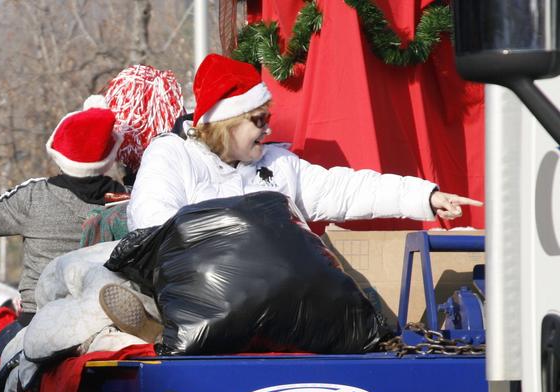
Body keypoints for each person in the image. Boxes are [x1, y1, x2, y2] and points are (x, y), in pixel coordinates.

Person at [109, 54, 482, 336]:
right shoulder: (172, 155)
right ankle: (161, 329)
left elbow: (344, 189)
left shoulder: (278, 164)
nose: (268, 127)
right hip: (210, 299)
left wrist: (424, 196)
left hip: (280, 299)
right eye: (258, 120)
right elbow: (153, 225)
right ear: (226, 122)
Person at [0, 101, 127, 325]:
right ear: (110, 155)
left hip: (37, 322)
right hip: (105, 320)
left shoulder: (34, 196)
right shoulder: (128, 201)